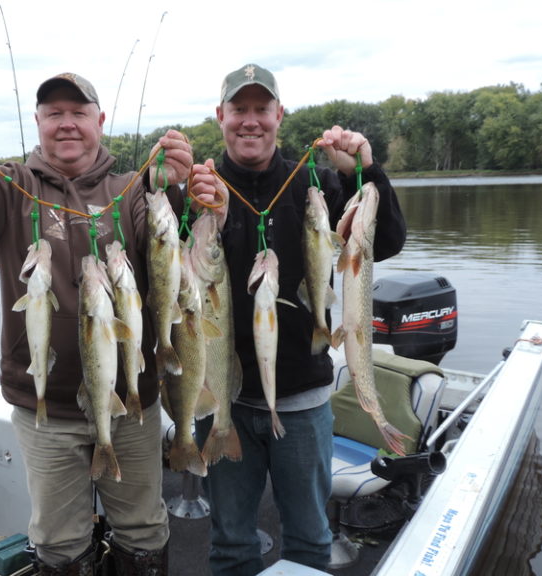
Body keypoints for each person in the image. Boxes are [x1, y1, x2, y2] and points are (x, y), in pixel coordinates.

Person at [0, 72, 193, 576]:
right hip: (43, 409)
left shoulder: (132, 189)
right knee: (59, 543)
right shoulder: (7, 186)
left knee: (144, 530)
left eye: (78, 113)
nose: (67, 124)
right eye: (54, 113)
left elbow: (168, 249)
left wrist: (180, 189)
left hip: (131, 402)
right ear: (37, 121)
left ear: (100, 121)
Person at [189, 63, 407, 574]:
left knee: (309, 539)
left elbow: (385, 241)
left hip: (304, 397)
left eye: (261, 109)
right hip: (222, 398)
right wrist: (185, 200)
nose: (250, 120)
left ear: (279, 115)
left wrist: (362, 172)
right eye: (238, 109)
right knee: (230, 542)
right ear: (220, 116)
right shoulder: (201, 191)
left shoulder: (318, 185)